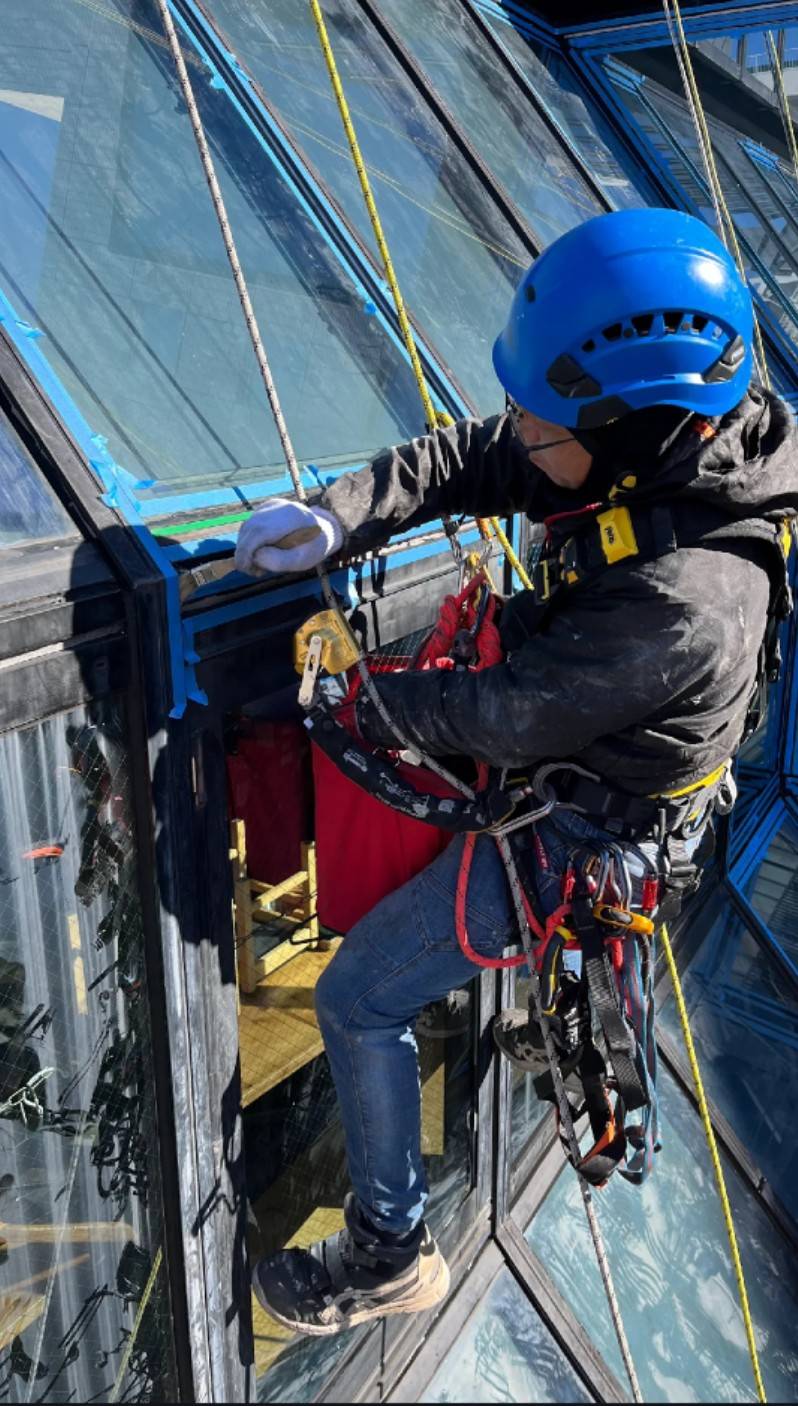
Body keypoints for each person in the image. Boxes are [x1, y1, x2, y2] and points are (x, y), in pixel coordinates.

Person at [234, 209, 798, 1336]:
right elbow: (479, 453)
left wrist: (349, 696)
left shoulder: (687, 601)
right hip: (601, 749)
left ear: (631, 434)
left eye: (549, 421)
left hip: (588, 834)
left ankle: (391, 1248)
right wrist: (337, 516)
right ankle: (545, 1021)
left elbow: (497, 719)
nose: (524, 432)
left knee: (356, 995)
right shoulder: (662, 432)